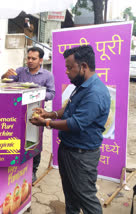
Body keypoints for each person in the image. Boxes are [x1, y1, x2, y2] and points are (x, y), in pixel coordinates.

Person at [30, 45, 110, 214]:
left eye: (69, 67)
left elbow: (75, 123)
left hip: (82, 156)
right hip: (69, 149)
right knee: (71, 196)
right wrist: (49, 114)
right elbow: (67, 110)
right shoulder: (81, 85)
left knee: (86, 198)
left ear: (84, 66)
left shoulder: (95, 92)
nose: (66, 71)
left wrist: (45, 123)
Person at [1, 46, 55, 182]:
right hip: (17, 112)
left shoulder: (47, 75)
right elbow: (6, 84)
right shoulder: (20, 71)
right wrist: (5, 75)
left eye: (33, 58)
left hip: (36, 113)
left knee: (35, 141)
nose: (30, 61)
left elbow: (51, 94)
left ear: (41, 60)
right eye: (28, 58)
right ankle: (18, 167)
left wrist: (35, 93)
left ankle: (33, 170)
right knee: (18, 139)